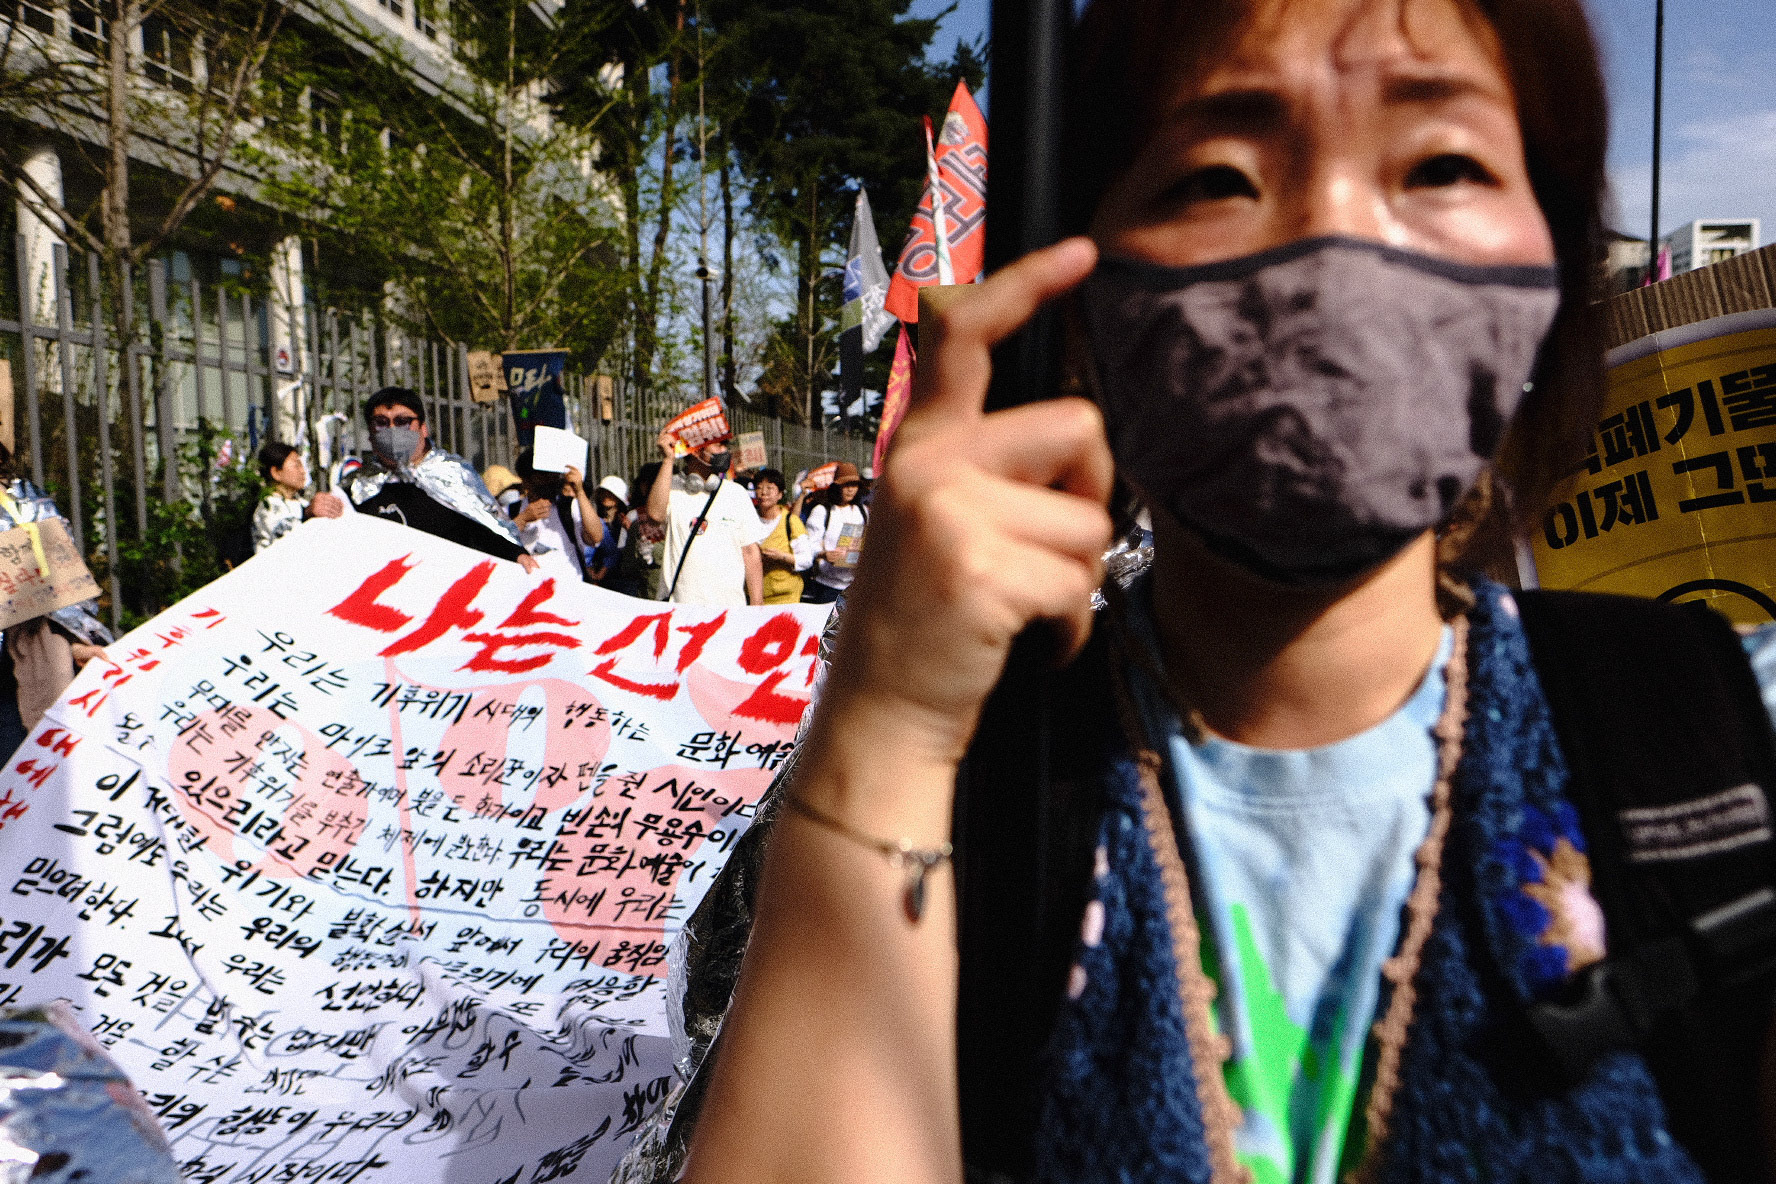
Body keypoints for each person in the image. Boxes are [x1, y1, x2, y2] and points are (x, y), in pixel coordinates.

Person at [675, 1, 1776, 1181]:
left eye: (1443, 165)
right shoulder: (955, 794)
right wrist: (884, 729)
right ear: (1078, 296)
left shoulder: (1719, 733)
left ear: (1552, 265)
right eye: (1216, 177)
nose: (1335, 234)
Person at [339, 387, 536, 572]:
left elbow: (487, 528)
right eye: (381, 422)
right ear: (370, 433)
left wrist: (516, 555)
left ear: (423, 428)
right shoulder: (356, 486)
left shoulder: (452, 474)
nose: (392, 430)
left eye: (402, 421)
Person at [0, 444, 111, 760]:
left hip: (21, 669)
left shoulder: (25, 501)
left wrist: (76, 643)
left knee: (36, 768)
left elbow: (59, 585)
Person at [646, 430, 765, 606]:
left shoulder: (736, 494)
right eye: (718, 445)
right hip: (681, 606)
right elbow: (655, 515)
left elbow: (750, 552)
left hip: (729, 608)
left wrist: (757, 604)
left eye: (725, 445)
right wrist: (668, 460)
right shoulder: (671, 487)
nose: (724, 451)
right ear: (695, 450)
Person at [511, 450, 602, 584]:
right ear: (527, 480)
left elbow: (596, 537)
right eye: (543, 475)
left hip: (568, 589)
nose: (551, 479)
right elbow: (500, 543)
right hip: (528, 589)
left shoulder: (568, 506)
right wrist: (523, 519)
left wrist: (579, 491)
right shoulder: (513, 509)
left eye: (553, 474)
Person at [251, 442, 344, 553]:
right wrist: (307, 516)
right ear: (276, 473)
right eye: (297, 465)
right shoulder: (267, 507)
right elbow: (288, 544)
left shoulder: (302, 503)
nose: (303, 471)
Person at [801, 462, 866, 605]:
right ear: (837, 486)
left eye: (854, 485)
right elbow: (809, 544)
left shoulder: (862, 512)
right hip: (827, 587)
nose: (850, 490)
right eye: (846, 485)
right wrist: (823, 554)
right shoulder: (822, 511)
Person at [753, 468, 813, 605]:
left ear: (780, 494)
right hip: (755, 598)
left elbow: (806, 559)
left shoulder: (791, 522)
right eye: (759, 488)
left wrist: (781, 557)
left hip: (786, 598)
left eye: (770, 488)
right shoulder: (748, 520)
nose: (763, 493)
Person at [608, 464, 665, 599]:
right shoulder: (634, 517)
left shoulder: (636, 517)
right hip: (650, 591)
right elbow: (626, 559)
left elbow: (626, 561)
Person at [586, 476, 629, 584]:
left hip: (623, 577)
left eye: (611, 493)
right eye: (603, 492)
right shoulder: (596, 521)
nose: (606, 496)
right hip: (599, 578)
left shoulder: (627, 519)